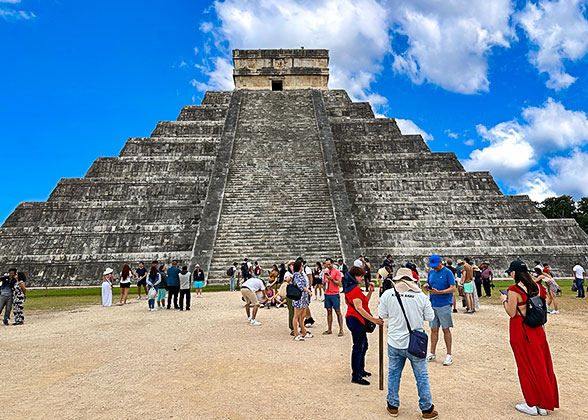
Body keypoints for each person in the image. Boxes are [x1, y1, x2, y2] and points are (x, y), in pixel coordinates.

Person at [378, 267, 437, 419]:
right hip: (415, 343)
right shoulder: (420, 296)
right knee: (422, 376)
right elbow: (430, 317)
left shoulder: (388, 294)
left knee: (393, 374)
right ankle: (427, 409)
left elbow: (382, 315)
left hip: (395, 342)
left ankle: (392, 406)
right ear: (411, 280)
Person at [501, 260, 559, 416]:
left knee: (525, 367)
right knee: (541, 366)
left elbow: (512, 313)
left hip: (521, 331)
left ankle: (531, 402)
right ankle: (543, 403)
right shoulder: (538, 287)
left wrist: (504, 301)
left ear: (514, 273)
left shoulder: (514, 290)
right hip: (537, 330)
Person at [344, 265, 384, 385]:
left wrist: (370, 292)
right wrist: (373, 320)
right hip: (355, 319)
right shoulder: (354, 289)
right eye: (360, 276)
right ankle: (356, 375)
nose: (362, 278)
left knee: (363, 345)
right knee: (358, 347)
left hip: (355, 319)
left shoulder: (352, 288)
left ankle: (360, 370)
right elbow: (359, 308)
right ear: (354, 276)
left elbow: (362, 302)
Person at [424, 255, 456, 366]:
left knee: (446, 329)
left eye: (435, 265)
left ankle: (449, 354)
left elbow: (453, 288)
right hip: (433, 303)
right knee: (433, 329)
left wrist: (440, 292)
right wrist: (427, 286)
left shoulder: (447, 272)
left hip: (444, 303)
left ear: (440, 263)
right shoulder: (431, 272)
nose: (434, 268)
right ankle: (432, 352)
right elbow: (429, 282)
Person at [292, 260, 313, 341]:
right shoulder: (297, 276)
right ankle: (296, 334)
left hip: (303, 297)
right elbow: (301, 287)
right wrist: (308, 291)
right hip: (299, 297)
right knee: (296, 316)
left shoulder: (300, 275)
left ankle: (303, 331)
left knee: (302, 316)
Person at [323, 258, 344, 337]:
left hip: (334, 293)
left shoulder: (337, 272)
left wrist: (331, 279)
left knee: (338, 311)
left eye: (329, 264)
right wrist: (324, 282)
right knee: (328, 311)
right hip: (327, 293)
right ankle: (329, 329)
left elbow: (338, 283)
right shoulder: (325, 272)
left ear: (332, 264)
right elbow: (323, 283)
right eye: (326, 264)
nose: (328, 266)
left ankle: (341, 329)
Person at [284, 260, 295, 334]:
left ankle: (300, 326)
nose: (293, 266)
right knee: (291, 311)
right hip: (291, 293)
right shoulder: (287, 273)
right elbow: (287, 279)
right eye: (291, 265)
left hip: (298, 292)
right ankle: (292, 328)